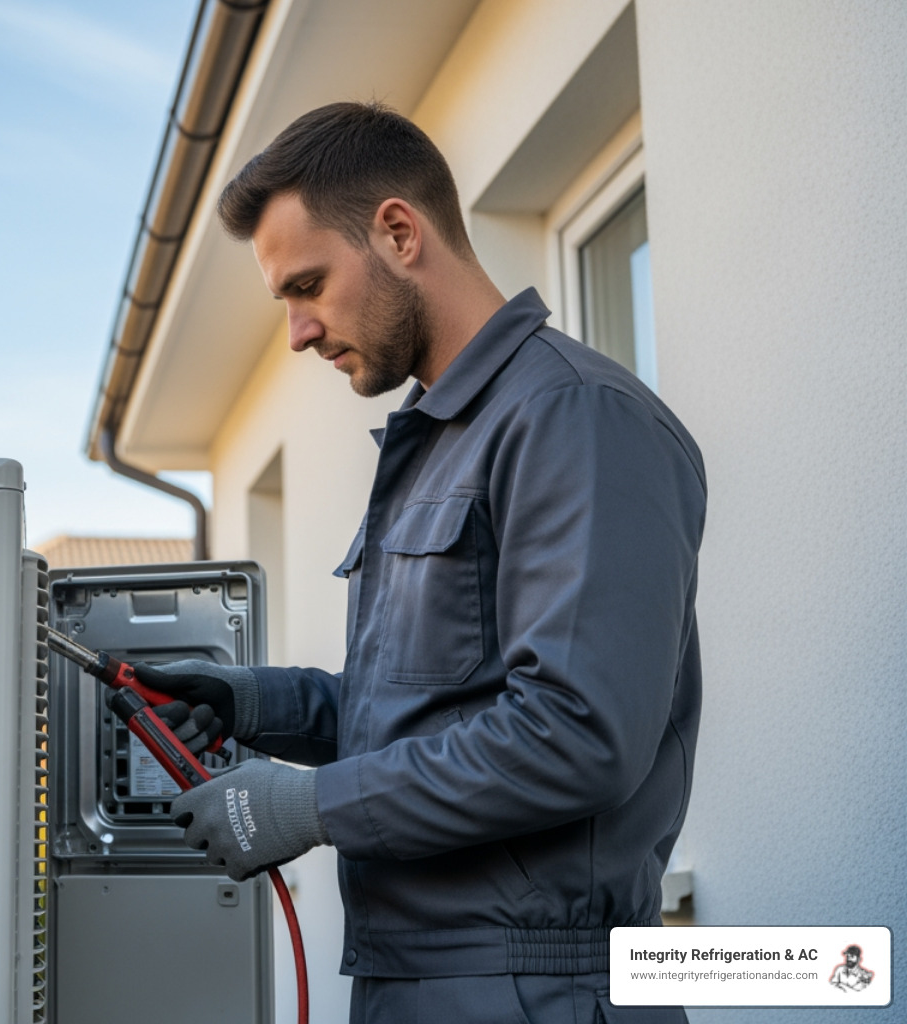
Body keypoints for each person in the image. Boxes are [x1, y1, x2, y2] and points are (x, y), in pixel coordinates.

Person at [135, 102, 705, 1024]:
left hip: (535, 988)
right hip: (415, 983)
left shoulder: (575, 418)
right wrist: (250, 703)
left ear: (399, 232)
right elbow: (422, 714)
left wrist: (311, 806)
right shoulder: (440, 443)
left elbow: (575, 733)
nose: (299, 332)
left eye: (308, 285)